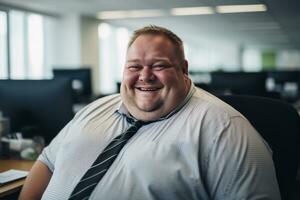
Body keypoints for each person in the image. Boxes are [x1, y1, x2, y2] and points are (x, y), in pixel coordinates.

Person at [19, 25, 281, 200]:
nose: (145, 76)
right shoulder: (95, 109)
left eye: (159, 65)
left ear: (183, 69)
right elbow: (48, 162)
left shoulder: (226, 129)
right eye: (134, 66)